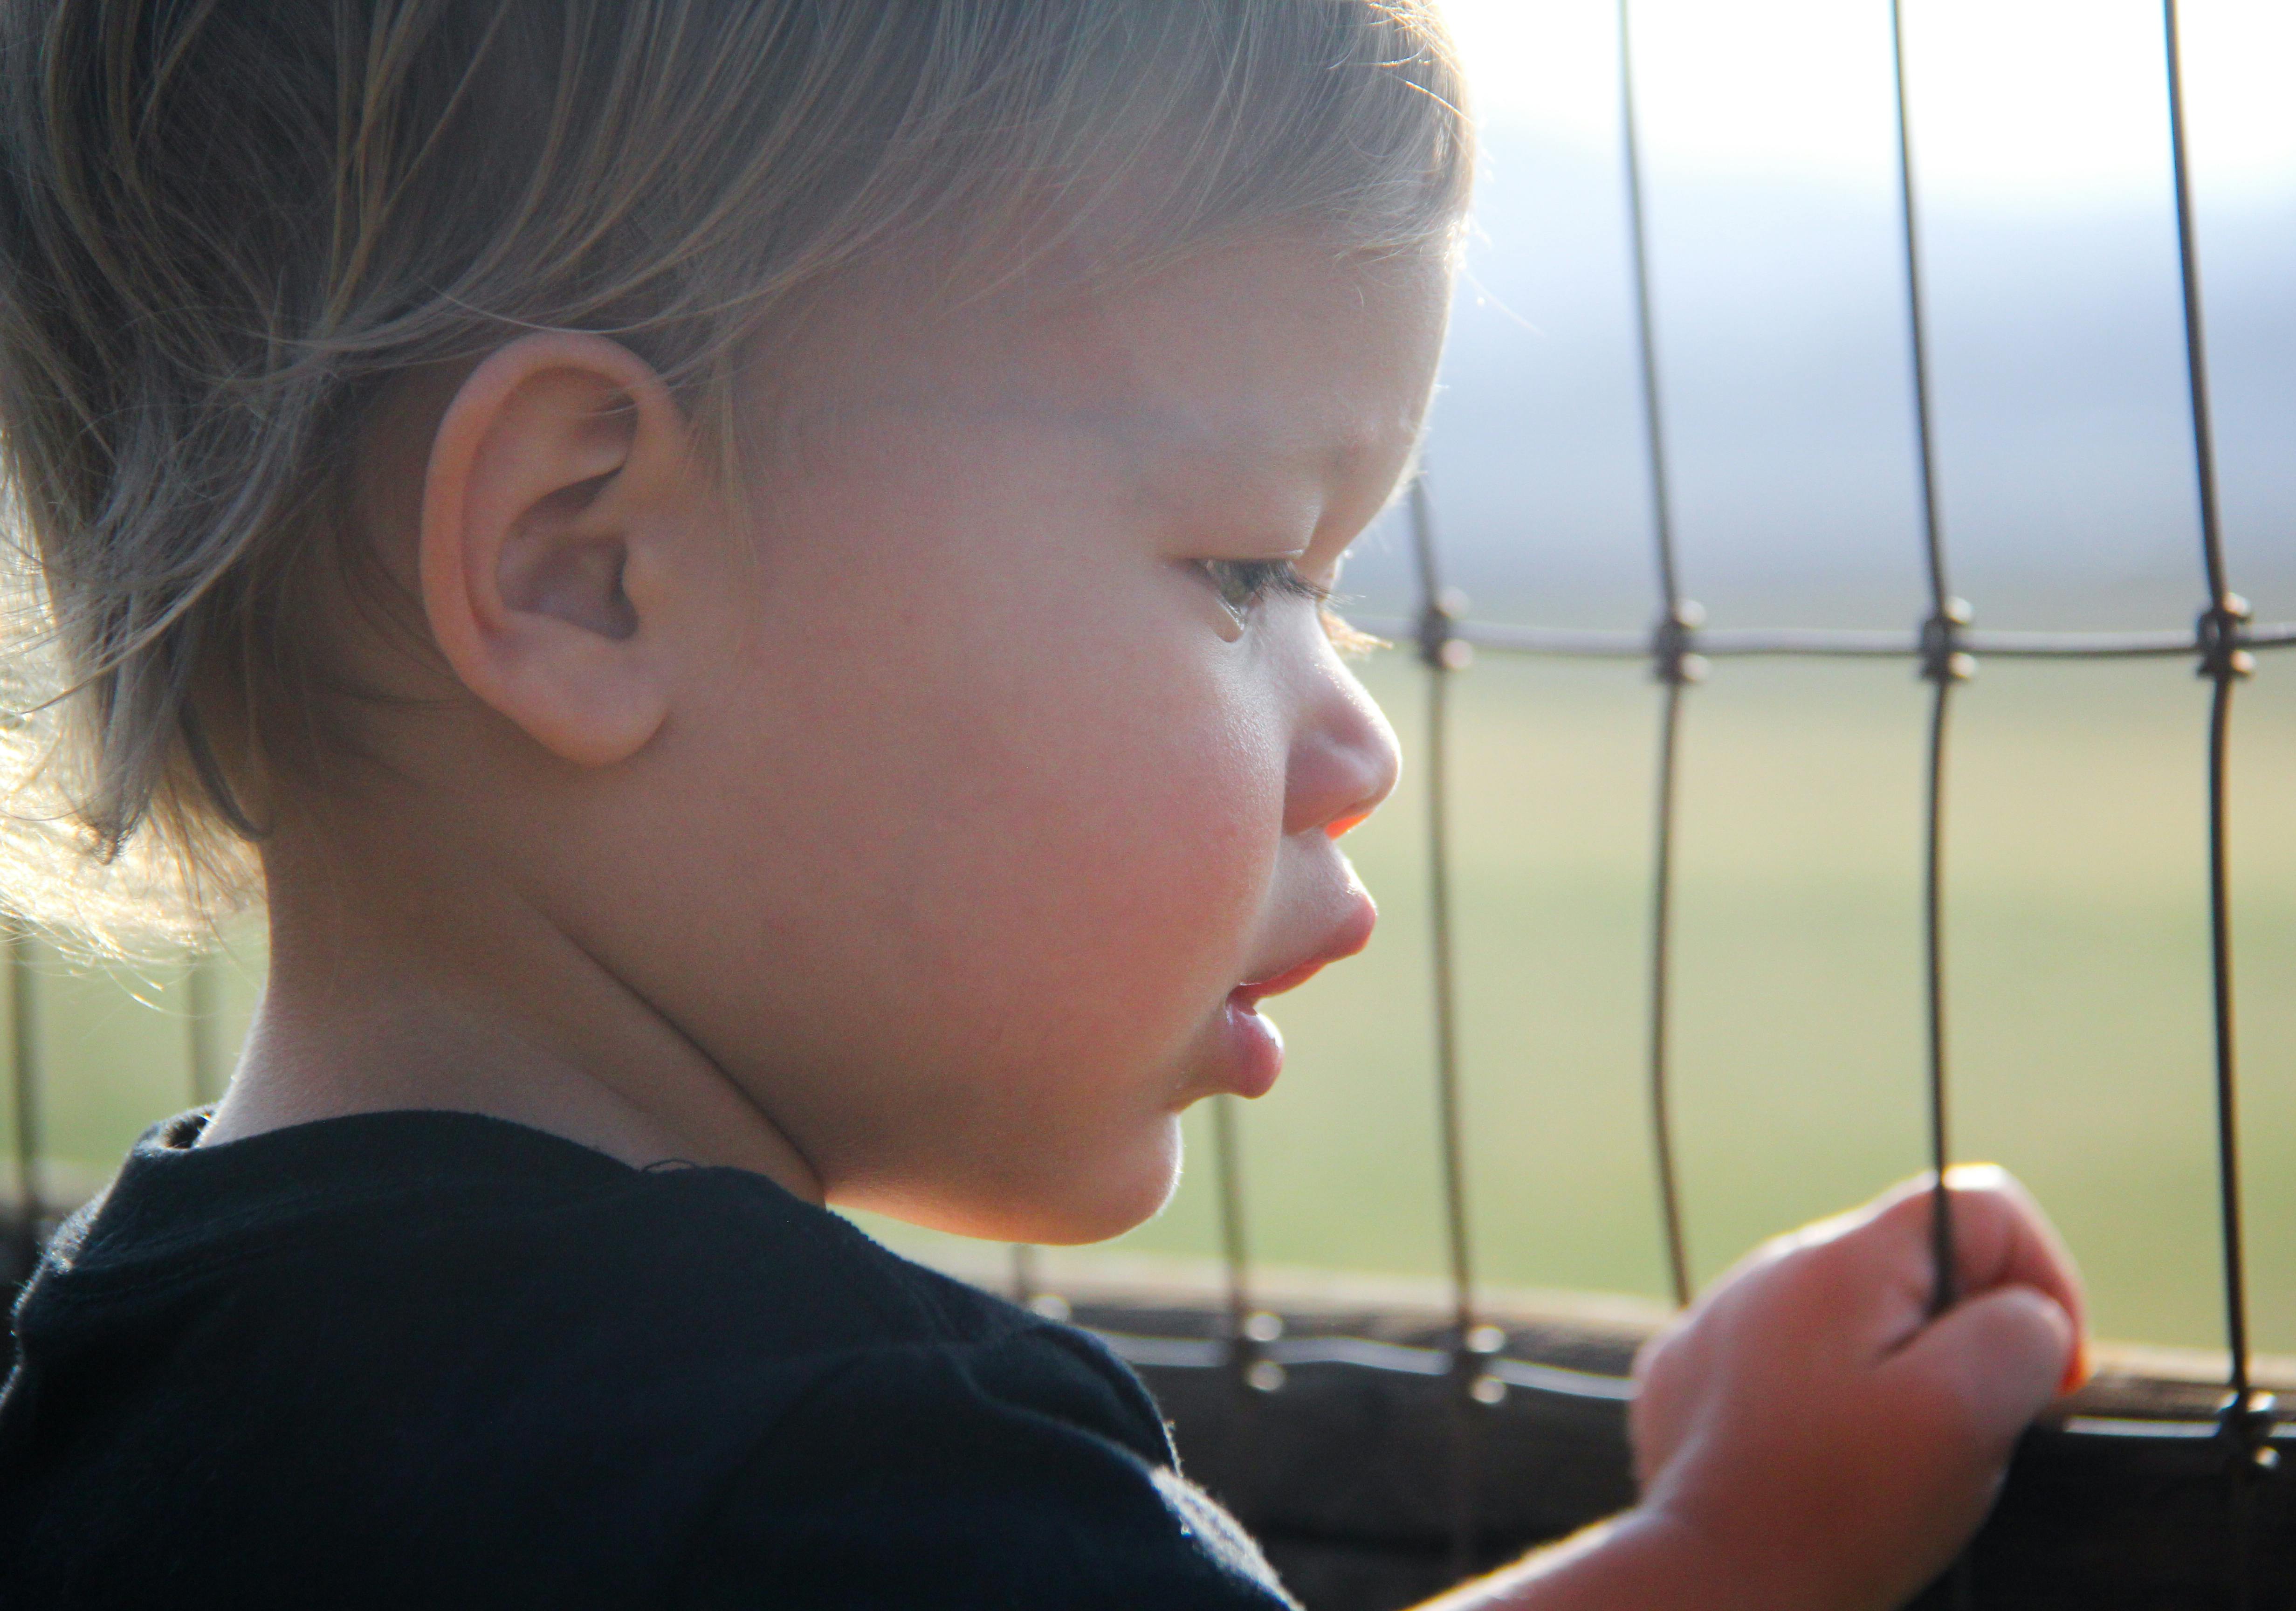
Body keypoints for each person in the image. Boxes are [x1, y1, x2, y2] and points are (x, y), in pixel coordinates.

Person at [0, 2, 2087, 1606]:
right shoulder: (871, 1489)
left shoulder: (102, 1403)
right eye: (1248, 571)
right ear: (588, 562)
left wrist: (1709, 1556)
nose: (1357, 746)